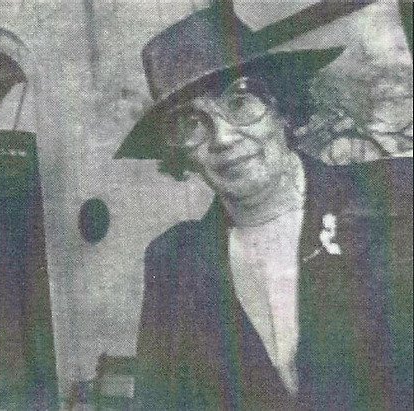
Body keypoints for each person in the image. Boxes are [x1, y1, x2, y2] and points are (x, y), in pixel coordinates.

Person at [114, 4, 413, 410]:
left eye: (239, 102)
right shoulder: (175, 261)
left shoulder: (395, 198)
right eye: (192, 123)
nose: (223, 138)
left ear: (282, 109)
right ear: (181, 155)